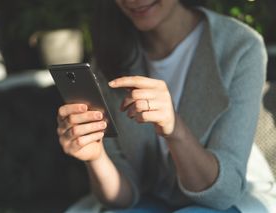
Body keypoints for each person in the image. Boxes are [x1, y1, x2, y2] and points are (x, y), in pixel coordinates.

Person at [56, 0, 273, 212]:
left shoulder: (240, 47)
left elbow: (222, 194)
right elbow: (121, 199)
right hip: (150, 199)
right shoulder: (108, 60)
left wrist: (174, 129)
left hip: (227, 196)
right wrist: (95, 157)